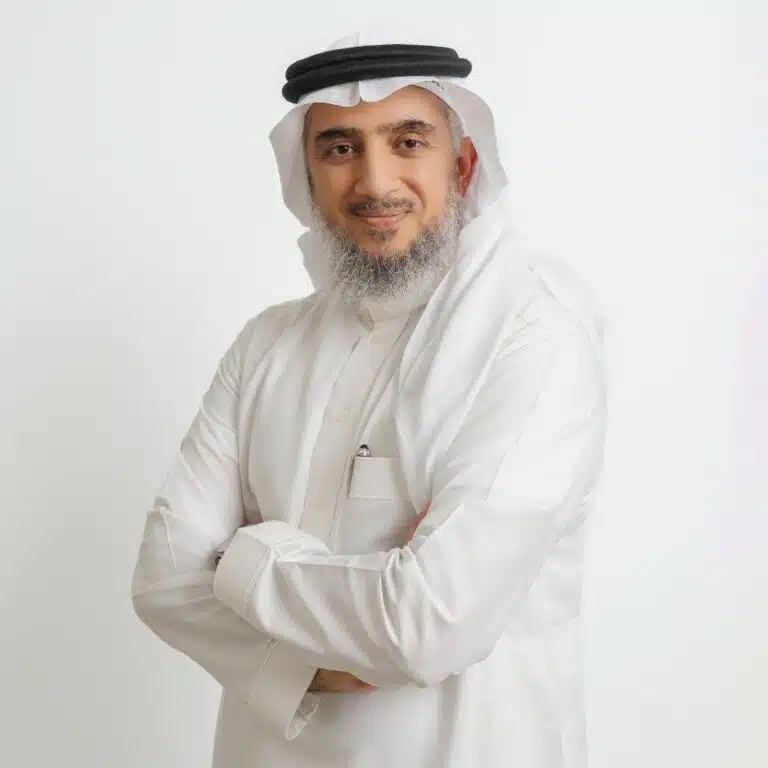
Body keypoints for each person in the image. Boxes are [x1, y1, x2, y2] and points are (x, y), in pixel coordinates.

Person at [131, 30, 608, 768]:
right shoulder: (266, 344)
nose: (375, 182)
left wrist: (245, 558)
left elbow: (427, 625)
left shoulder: (532, 337)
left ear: (464, 164)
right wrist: (297, 663)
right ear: (307, 173)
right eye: (340, 148)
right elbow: (163, 580)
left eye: (408, 142)